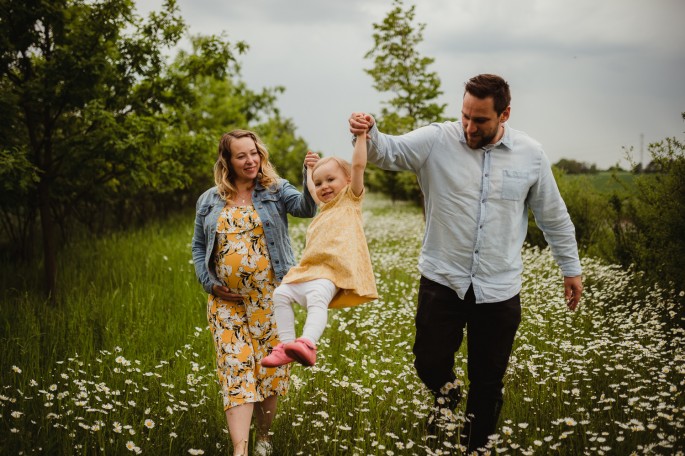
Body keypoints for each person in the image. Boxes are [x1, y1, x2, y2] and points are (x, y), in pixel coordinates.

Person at [349, 74, 583, 453]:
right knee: (428, 362)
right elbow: (385, 151)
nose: (469, 127)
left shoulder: (531, 154)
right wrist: (368, 130)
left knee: (488, 381)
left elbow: (553, 217)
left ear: (504, 114)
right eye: (465, 116)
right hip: (443, 280)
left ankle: (477, 447)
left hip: (499, 288)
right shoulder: (436, 140)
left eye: (480, 120)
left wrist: (570, 269)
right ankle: (446, 397)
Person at [191, 129, 318, 456]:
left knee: (268, 370)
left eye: (254, 153)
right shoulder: (209, 200)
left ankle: (264, 438)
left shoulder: (275, 190)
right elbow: (198, 247)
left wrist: (310, 176)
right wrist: (209, 282)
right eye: (241, 155)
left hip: (271, 301)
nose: (250, 160)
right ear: (228, 161)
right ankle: (240, 449)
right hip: (226, 303)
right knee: (236, 367)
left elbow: (305, 208)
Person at [261, 124, 378, 368]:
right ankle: (285, 346)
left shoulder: (350, 200)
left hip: (332, 272)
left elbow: (358, 165)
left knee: (317, 298)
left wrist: (360, 139)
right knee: (280, 294)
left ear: (347, 180)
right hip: (310, 270)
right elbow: (312, 189)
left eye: (331, 180)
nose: (324, 186)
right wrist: (309, 169)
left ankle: (308, 343)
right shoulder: (323, 208)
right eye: (320, 183)